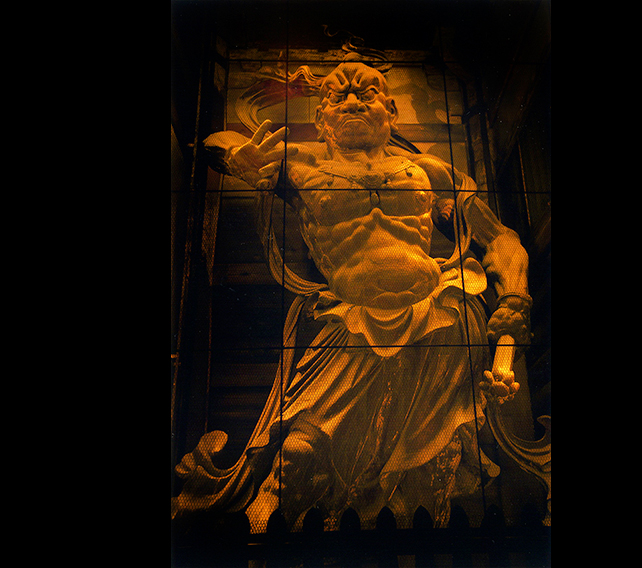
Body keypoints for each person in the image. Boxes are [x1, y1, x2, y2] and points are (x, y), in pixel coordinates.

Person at [172, 61, 533, 532]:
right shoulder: (300, 164)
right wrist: (240, 158)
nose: (351, 102)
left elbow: (502, 239)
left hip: (437, 320)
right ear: (321, 117)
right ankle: (261, 538)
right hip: (350, 323)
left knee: (436, 462)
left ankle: (424, 544)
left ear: (391, 110)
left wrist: (514, 302)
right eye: (337, 96)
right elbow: (216, 143)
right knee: (297, 454)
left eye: (365, 94)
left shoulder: (427, 171)